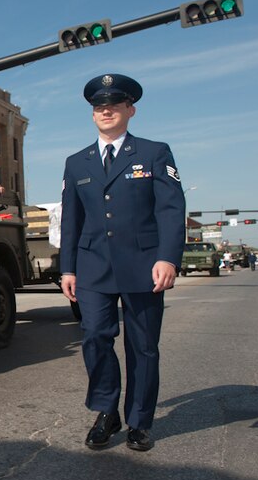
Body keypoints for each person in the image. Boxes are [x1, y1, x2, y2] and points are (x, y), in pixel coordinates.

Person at [60, 73, 185, 452]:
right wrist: (68, 268)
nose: (106, 110)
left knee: (143, 346)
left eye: (114, 105)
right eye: (99, 106)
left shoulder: (153, 152)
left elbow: (170, 209)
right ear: (92, 114)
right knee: (96, 336)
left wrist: (168, 258)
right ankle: (106, 411)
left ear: (130, 110)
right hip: (93, 266)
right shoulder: (76, 162)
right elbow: (71, 220)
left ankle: (139, 421)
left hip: (144, 266)